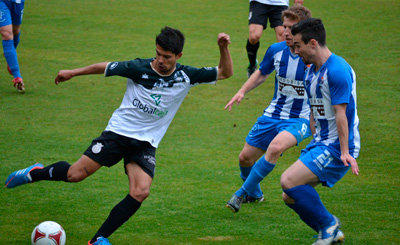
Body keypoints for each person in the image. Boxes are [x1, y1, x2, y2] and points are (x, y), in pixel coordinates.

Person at [5, 26, 233, 245]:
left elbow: (225, 73)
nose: (160, 61)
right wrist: (73, 73)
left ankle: (98, 239)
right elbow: (104, 67)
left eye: (166, 56)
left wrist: (223, 48)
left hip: (145, 144)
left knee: (141, 191)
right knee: (75, 175)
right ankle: (35, 173)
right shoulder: (138, 68)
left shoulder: (186, 76)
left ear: (178, 55)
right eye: (157, 54)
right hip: (118, 134)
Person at [225, 4, 312, 213]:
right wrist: (242, 91)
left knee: (275, 148)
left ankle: (239, 194)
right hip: (273, 113)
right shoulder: (276, 50)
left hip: (301, 118)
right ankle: (255, 195)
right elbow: (262, 73)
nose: (285, 32)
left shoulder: (313, 56)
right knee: (245, 158)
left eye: (291, 27)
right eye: (284, 26)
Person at [281, 18, 360, 244]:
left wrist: (345, 152)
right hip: (321, 141)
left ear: (313, 43)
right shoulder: (311, 72)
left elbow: (341, 114)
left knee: (288, 180)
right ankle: (331, 233)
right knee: (290, 195)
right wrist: (314, 136)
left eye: (298, 46)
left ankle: (328, 224)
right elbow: (315, 110)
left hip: (338, 146)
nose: (295, 52)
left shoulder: (338, 71)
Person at [246, 0, 304, 77]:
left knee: (284, 39)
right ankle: (252, 64)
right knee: (254, 36)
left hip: (280, 3)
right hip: (258, 2)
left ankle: (285, 72)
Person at [0, 0, 25, 92]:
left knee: (16, 31)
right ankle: (17, 76)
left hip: (17, 2)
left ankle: (10, 59)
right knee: (7, 34)